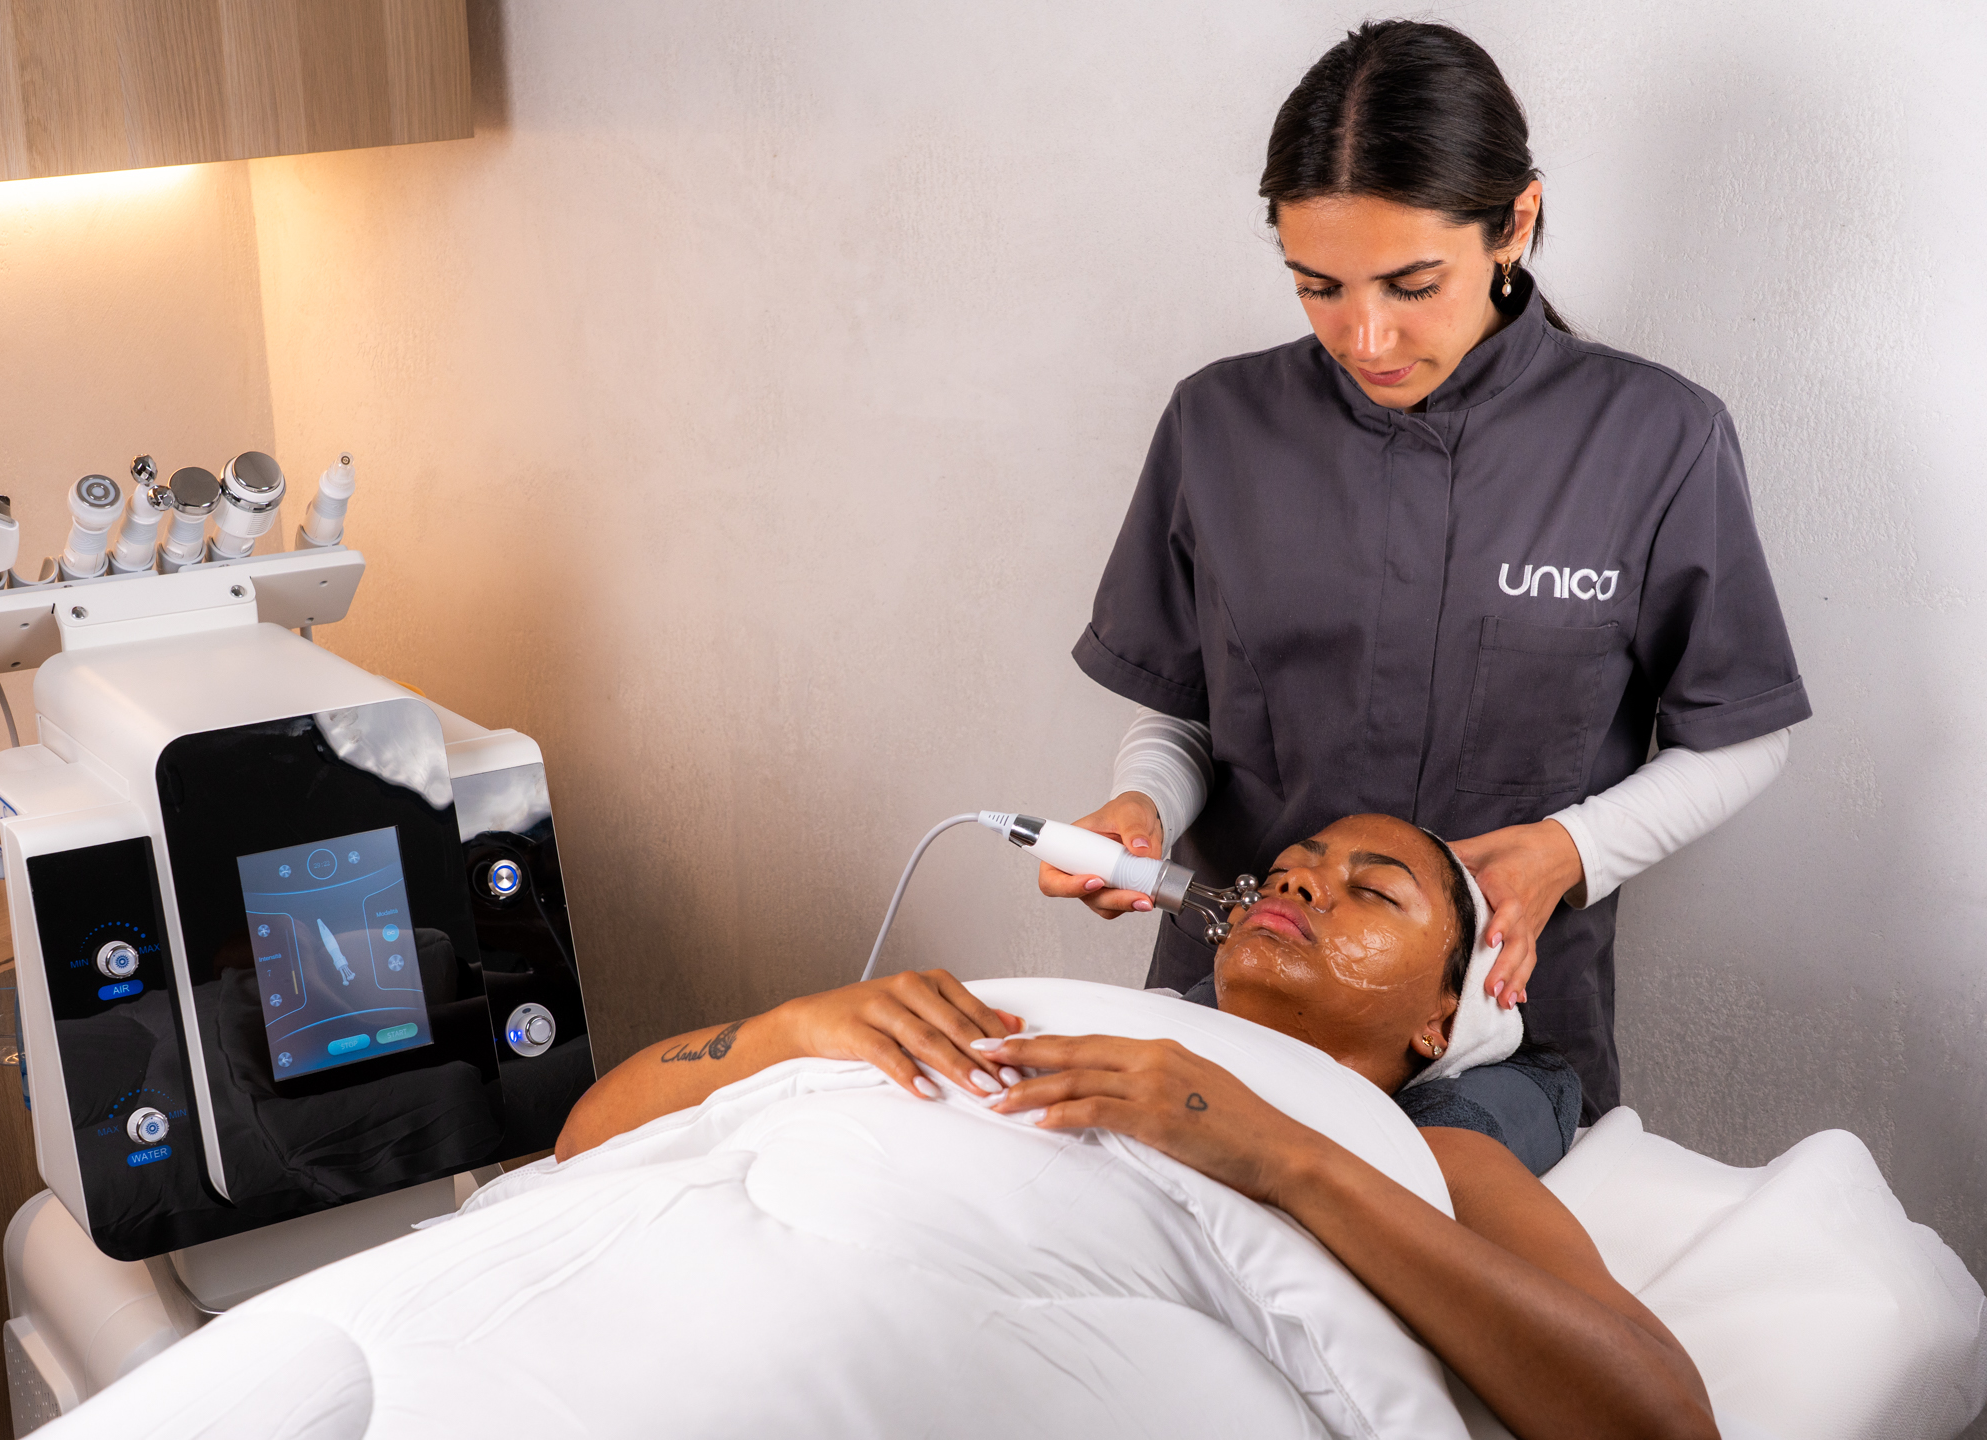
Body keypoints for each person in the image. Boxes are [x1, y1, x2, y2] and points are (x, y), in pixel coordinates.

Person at [1044, 20, 1809, 1121]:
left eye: (1412, 285)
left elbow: (1741, 733)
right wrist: (1144, 808)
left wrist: (1572, 850)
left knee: (1427, 1207)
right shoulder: (1219, 425)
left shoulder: (1656, 439)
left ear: (1516, 224)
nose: (1364, 338)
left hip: (1504, 1031)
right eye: (1317, 286)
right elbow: (1184, 709)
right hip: (1238, 998)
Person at [556, 812, 1717, 1440]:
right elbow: (580, 1145)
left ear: (1437, 1021)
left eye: (1372, 891)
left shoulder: (1420, 1146)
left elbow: (1663, 1422)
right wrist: (786, 1031)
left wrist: (1279, 1155)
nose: (1296, 884)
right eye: (1291, 869)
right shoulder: (1074, 1018)